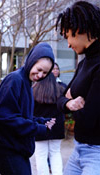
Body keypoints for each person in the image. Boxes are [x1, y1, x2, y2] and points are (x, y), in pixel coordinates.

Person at [0, 42, 56, 175]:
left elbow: (20, 115)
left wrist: (41, 121)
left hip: (16, 149)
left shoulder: (26, 82)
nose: (40, 75)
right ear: (32, 61)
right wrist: (37, 128)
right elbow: (4, 117)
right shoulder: (15, 80)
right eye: (39, 69)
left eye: (45, 72)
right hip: (7, 149)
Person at [56, 1, 100, 175]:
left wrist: (67, 101)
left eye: (68, 36)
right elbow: (59, 99)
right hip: (78, 148)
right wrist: (69, 103)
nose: (67, 44)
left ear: (81, 29)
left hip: (96, 152)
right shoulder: (83, 64)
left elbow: (89, 119)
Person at [33, 73, 65, 175]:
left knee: (41, 155)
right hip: (57, 125)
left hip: (39, 126)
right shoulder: (61, 90)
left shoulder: (33, 91)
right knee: (55, 153)